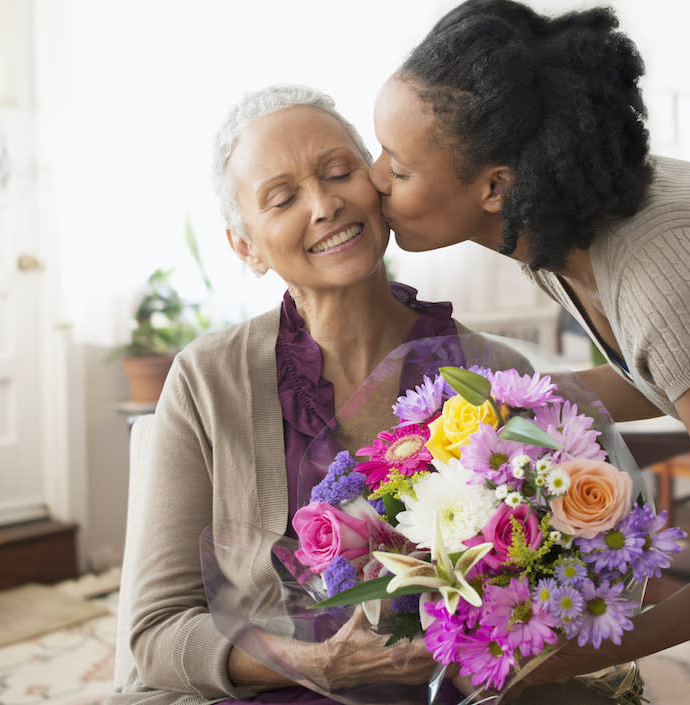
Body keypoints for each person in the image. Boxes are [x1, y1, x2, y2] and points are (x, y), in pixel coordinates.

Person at [367, 2, 690, 704]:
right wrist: (500, 410)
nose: (374, 178)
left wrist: (596, 642)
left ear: (496, 184)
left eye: (398, 167)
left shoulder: (653, 269)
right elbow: (688, 369)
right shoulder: (551, 227)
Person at [106, 84, 453, 705]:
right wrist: (313, 663)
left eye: (339, 172)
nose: (323, 205)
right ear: (246, 247)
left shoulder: (484, 372)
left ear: (378, 182)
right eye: (283, 198)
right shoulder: (206, 378)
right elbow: (156, 635)